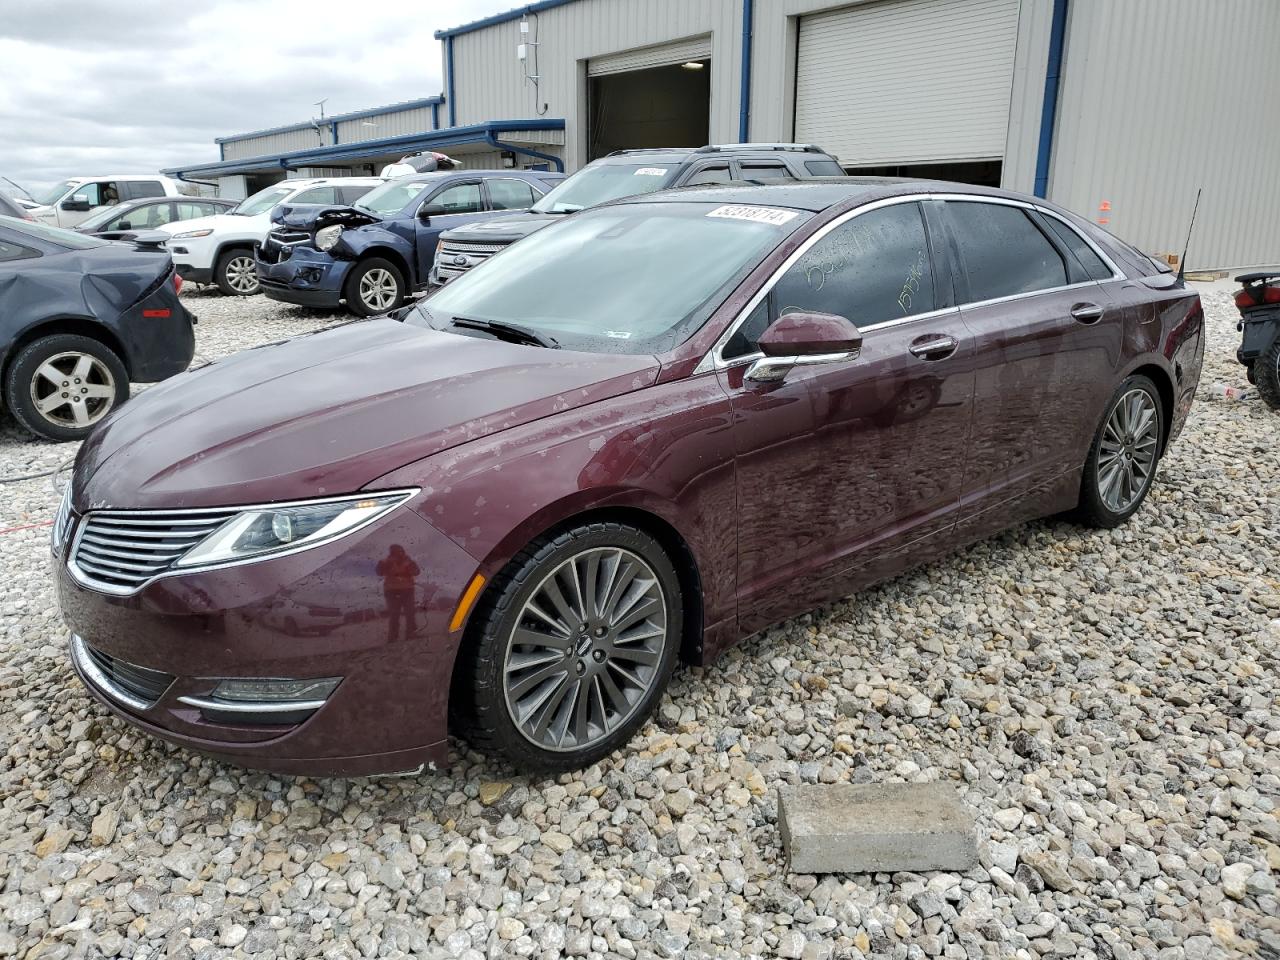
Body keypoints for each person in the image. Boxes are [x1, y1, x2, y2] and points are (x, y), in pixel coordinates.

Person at [376, 544, 420, 641]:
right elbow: (379, 572)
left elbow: (417, 572)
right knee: (394, 614)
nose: (398, 553)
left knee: (410, 613)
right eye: (395, 551)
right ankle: (393, 637)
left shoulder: (409, 561)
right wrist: (385, 564)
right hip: (392, 591)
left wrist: (410, 567)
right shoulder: (386, 561)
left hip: (407, 590)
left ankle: (410, 634)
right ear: (391, 552)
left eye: (400, 551)